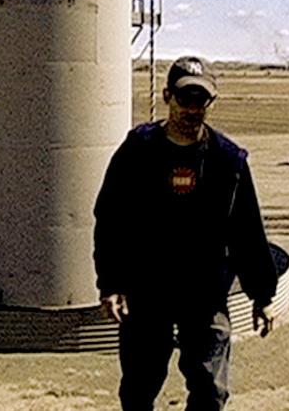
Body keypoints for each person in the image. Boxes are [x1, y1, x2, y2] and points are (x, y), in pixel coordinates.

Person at [93, 56, 278, 411]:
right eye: (185, 98)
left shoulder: (228, 161)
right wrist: (111, 283)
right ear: (167, 96)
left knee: (210, 390)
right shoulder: (138, 150)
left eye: (201, 100)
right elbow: (110, 219)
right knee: (138, 387)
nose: (193, 109)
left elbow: (247, 232)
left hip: (204, 292)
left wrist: (262, 293)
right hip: (146, 290)